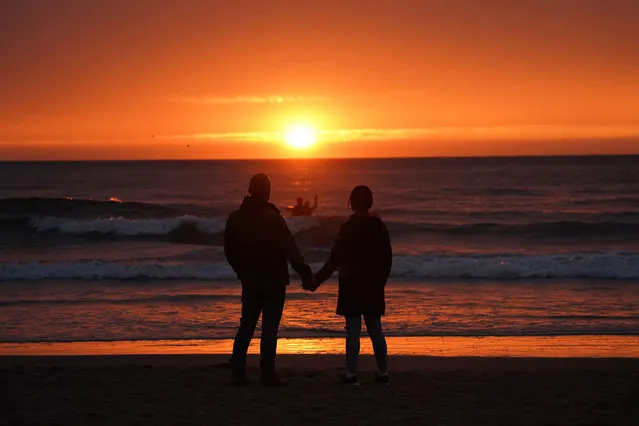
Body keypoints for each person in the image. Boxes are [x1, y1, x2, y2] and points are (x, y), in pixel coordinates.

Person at [224, 173, 314, 386]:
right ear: (267, 192)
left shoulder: (235, 218)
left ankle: (238, 372)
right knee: (269, 328)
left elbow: (229, 251)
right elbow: (290, 249)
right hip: (273, 281)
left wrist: (241, 271)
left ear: (249, 190)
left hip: (251, 280)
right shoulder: (274, 219)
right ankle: (267, 373)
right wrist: (305, 275)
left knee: (246, 325)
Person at [310, 185, 392, 385]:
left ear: (352, 203)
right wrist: (381, 281)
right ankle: (383, 372)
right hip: (373, 284)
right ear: (370, 203)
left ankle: (351, 374)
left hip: (351, 284)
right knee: (375, 329)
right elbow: (387, 258)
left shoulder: (347, 227)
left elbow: (334, 259)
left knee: (353, 330)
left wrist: (316, 281)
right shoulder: (379, 226)